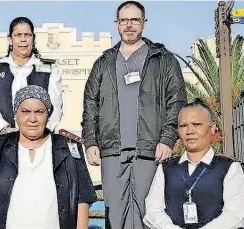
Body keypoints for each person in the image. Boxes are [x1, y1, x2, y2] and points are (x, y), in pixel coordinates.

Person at [81, 1, 187, 228]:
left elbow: (177, 101)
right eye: (124, 20)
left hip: (150, 151)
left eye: (135, 20)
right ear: (116, 24)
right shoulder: (104, 63)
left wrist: (168, 139)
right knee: (115, 216)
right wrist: (90, 141)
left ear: (144, 23)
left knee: (148, 214)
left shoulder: (163, 60)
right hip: (112, 151)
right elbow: (90, 104)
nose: (129, 25)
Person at [0, 85, 97, 229]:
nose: (32, 118)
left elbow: (82, 200)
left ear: (48, 115)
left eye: (39, 112)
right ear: (16, 114)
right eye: (25, 112)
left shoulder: (69, 148)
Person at [143, 99, 244, 229]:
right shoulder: (166, 168)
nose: (189, 131)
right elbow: (153, 211)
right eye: (183, 126)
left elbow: (235, 215)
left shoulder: (229, 167)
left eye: (197, 124)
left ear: (212, 128)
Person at [0, 16, 63, 136]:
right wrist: (4, 129)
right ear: (10, 39)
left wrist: (40, 132)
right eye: (18, 35)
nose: (23, 39)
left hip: (39, 140)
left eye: (27, 35)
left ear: (33, 38)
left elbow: (55, 106)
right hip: (0, 139)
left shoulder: (51, 68)